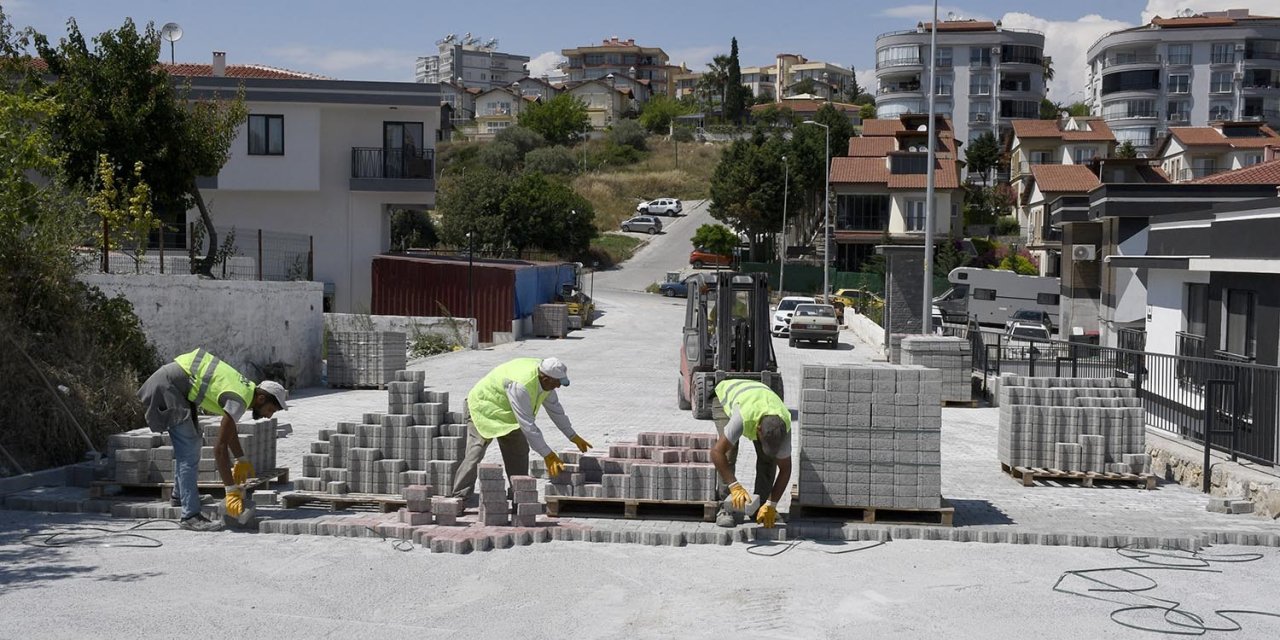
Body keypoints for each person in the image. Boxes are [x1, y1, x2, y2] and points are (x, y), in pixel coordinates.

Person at [137, 348, 288, 531]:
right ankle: (190, 516)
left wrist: (240, 458)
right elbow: (220, 448)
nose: (269, 415)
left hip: (177, 387)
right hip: (168, 387)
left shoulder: (246, 391)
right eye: (270, 410)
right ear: (262, 398)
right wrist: (231, 490)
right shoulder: (239, 399)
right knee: (189, 450)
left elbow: (229, 430)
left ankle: (180, 497)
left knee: (191, 445)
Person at [450, 357, 590, 500]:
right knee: (476, 452)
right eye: (557, 383)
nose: (558, 386)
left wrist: (572, 435)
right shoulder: (521, 385)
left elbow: (555, 410)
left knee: (519, 451)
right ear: (546, 379)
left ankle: (519, 494)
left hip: (508, 413)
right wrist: (547, 454)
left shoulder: (546, 381)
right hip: (484, 408)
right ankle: (459, 497)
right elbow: (528, 426)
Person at [709, 378, 791, 529]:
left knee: (769, 459)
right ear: (758, 429)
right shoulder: (743, 416)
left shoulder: (783, 424)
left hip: (758, 398)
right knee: (728, 452)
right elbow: (716, 452)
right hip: (726, 397)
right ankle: (725, 507)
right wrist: (735, 486)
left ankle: (760, 507)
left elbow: (785, 469)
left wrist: (772, 504)